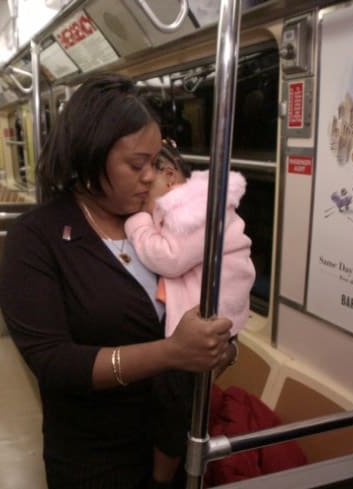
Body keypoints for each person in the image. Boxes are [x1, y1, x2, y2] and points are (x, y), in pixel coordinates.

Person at [0, 73, 237, 489]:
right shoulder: (37, 238)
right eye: (136, 165)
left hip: (176, 443)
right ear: (89, 156)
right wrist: (171, 353)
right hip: (95, 459)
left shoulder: (161, 226)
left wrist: (220, 346)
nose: (151, 178)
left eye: (156, 162)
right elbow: (53, 362)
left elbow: (202, 296)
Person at [124, 138, 255, 486]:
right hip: (208, 320)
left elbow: (168, 257)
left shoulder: (197, 210)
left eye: (145, 186)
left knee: (173, 404)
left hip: (211, 323)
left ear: (168, 176)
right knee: (171, 400)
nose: (140, 198)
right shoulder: (192, 208)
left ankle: (161, 478)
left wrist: (136, 223)